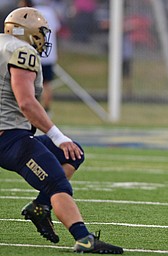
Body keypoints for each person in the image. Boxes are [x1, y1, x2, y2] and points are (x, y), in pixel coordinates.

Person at [0, 7, 123, 254]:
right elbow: (26, 103)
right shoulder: (21, 51)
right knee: (58, 184)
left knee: (72, 153)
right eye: (42, 32)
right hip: (10, 138)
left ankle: (39, 207)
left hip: (12, 134)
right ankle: (84, 239)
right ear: (28, 31)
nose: (44, 38)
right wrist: (57, 135)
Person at [18, 0, 60, 115]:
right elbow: (56, 29)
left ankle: (33, 109)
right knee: (47, 83)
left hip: (31, 54)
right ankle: (46, 109)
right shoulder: (49, 12)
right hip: (48, 54)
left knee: (30, 83)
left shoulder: (27, 14)